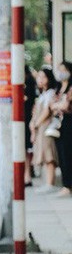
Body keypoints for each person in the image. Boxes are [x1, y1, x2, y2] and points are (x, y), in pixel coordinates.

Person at [30, 67, 59, 192]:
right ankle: (48, 182)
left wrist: (36, 123)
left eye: (43, 77)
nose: (40, 80)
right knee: (44, 153)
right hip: (41, 127)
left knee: (48, 155)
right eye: (39, 77)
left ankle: (50, 183)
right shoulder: (42, 94)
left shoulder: (51, 93)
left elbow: (47, 111)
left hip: (46, 127)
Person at [51, 61, 72, 197]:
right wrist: (58, 105)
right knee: (62, 155)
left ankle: (68, 184)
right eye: (59, 69)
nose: (60, 72)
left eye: (63, 69)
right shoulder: (58, 87)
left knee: (68, 154)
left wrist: (57, 105)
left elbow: (64, 106)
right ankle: (66, 184)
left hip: (69, 123)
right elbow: (52, 105)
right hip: (59, 125)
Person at [23, 66, 37, 186]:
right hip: (18, 121)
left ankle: (27, 175)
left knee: (26, 149)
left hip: (27, 120)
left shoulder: (30, 84)